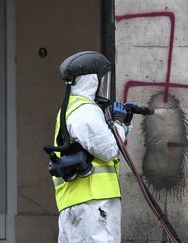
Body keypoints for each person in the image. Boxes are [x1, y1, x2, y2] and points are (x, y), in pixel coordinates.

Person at [48, 51, 132, 243]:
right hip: (94, 204)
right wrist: (119, 123)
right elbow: (110, 148)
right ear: (91, 80)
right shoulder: (85, 110)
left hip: (77, 203)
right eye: (101, 79)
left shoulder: (70, 108)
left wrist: (123, 126)